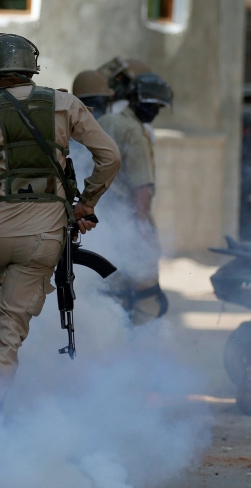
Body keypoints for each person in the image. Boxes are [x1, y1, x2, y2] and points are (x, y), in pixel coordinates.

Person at [0, 33, 121, 409]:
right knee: (8, 333)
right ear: (31, 68)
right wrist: (86, 203)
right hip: (42, 238)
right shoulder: (65, 104)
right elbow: (110, 157)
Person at [95, 72, 173, 325]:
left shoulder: (104, 121)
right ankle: (143, 349)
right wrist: (143, 232)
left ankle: (110, 347)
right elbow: (141, 188)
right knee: (145, 299)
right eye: (155, 105)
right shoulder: (134, 132)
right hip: (127, 223)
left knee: (111, 294)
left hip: (99, 224)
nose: (156, 110)